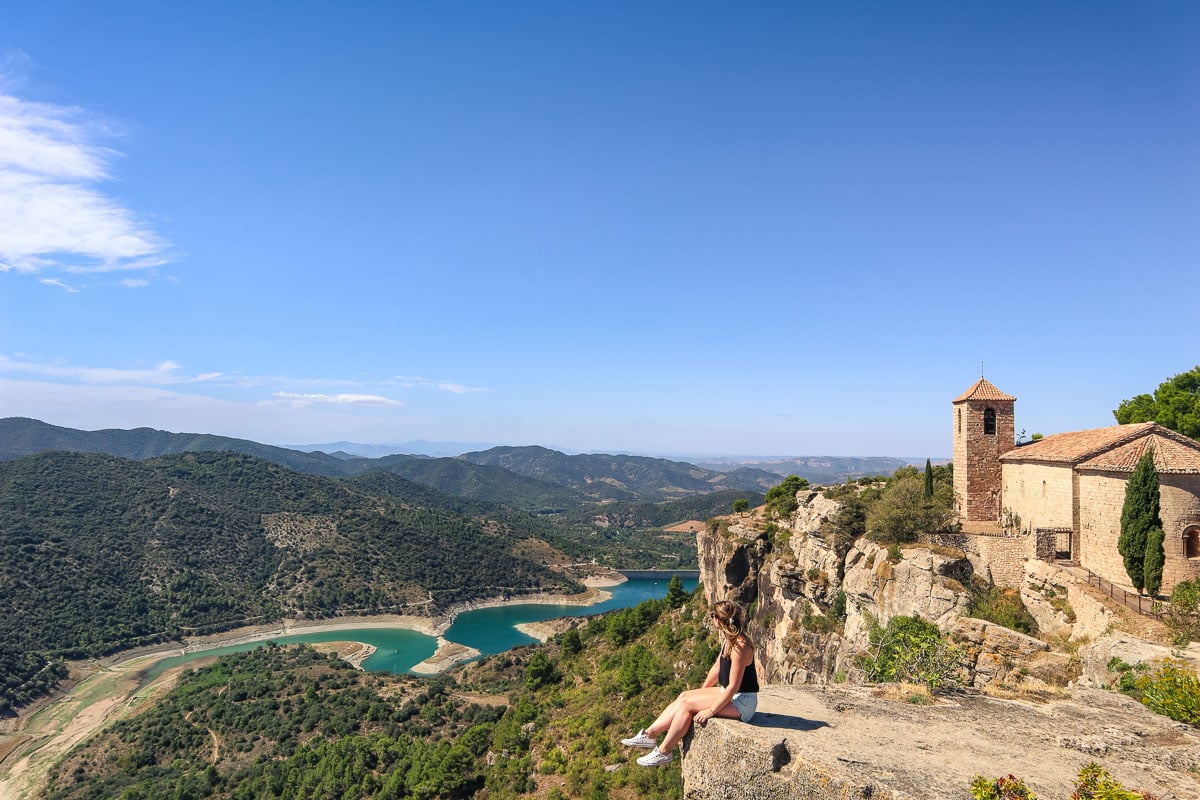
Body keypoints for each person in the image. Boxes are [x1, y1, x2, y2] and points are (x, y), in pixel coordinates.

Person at [621, 599, 759, 767]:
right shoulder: (730, 638)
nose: (711, 618)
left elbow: (733, 686)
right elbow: (717, 667)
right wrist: (700, 693)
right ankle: (649, 735)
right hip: (730, 694)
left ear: (718, 619)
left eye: (712, 615)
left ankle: (664, 752)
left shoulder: (740, 646)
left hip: (743, 702)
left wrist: (710, 710)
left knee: (687, 706)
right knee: (685, 696)